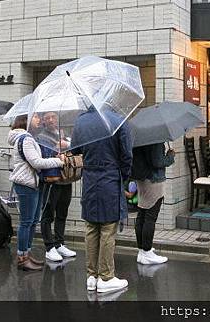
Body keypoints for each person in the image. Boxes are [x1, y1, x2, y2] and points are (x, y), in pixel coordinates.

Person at [71, 107, 132, 294]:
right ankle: (106, 277)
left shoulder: (81, 121)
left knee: (91, 228)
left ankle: (91, 276)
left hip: (89, 179)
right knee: (107, 228)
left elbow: (74, 150)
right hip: (110, 178)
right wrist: (123, 177)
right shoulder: (118, 120)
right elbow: (127, 155)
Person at [8, 114, 66, 271]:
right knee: (26, 222)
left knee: (33, 221)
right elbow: (36, 162)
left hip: (34, 183)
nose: (39, 119)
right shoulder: (25, 139)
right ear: (25, 121)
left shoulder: (30, 138)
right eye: (35, 117)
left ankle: (27, 254)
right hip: (26, 184)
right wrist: (58, 161)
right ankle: (22, 258)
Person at [36, 111, 77, 262]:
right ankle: (49, 247)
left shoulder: (64, 134)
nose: (51, 120)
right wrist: (56, 149)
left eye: (53, 117)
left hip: (66, 179)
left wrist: (67, 145)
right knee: (48, 213)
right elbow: (41, 158)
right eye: (47, 118)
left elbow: (76, 150)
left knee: (62, 212)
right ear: (43, 121)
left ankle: (59, 243)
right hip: (51, 181)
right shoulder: (41, 137)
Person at [132, 143, 175, 265]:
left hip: (142, 179)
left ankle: (142, 250)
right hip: (153, 180)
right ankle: (147, 252)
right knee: (150, 217)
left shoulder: (139, 138)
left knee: (142, 215)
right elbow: (157, 162)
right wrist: (170, 156)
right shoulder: (155, 141)